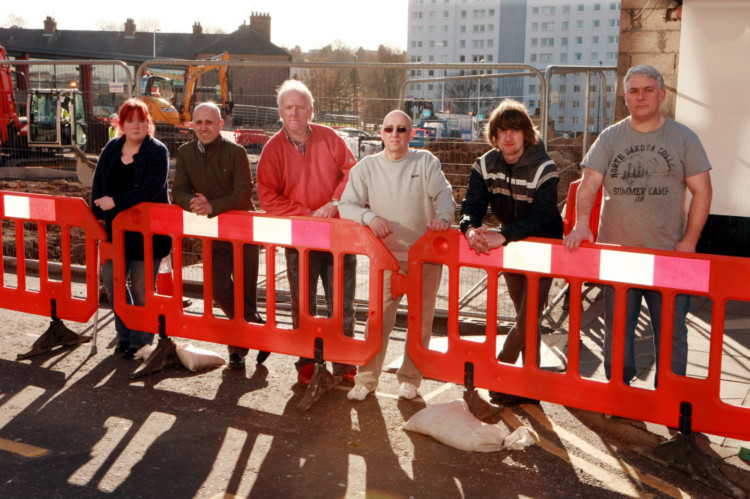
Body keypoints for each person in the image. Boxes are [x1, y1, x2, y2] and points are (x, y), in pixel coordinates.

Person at [563, 65, 712, 386]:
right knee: (617, 335)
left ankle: (671, 399)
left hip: (669, 257)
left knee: (673, 336)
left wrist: (690, 240)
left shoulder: (684, 138)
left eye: (647, 89)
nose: (640, 96)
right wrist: (582, 226)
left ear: (662, 95)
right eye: (633, 91)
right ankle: (620, 396)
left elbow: (703, 190)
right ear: (625, 97)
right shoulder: (610, 137)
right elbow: (588, 185)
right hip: (620, 258)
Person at [339, 110, 455, 401]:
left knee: (422, 320)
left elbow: (444, 194)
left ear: (411, 133)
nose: (395, 134)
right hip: (386, 258)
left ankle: (411, 379)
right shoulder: (367, 167)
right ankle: (366, 379)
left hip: (423, 257)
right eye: (389, 129)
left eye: (401, 130)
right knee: (378, 320)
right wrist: (369, 217)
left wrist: (444, 216)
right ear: (380, 133)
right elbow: (346, 205)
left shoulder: (426, 162)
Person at [459, 99, 563, 405]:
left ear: (526, 134)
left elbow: (542, 216)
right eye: (502, 130)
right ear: (494, 135)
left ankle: (499, 371)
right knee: (525, 318)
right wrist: (470, 229)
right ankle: (531, 384)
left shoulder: (545, 166)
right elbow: (471, 207)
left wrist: (502, 235)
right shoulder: (484, 164)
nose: (508, 137)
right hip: (511, 247)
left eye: (515, 130)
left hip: (543, 246)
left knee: (528, 318)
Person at [257, 79, 358, 385]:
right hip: (300, 239)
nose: (295, 113)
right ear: (280, 111)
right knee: (304, 304)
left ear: (311, 110)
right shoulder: (272, 149)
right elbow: (267, 196)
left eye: (301, 107)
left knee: (342, 303)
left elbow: (352, 172)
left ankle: (344, 364)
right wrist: (306, 215)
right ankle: (307, 363)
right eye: (288, 107)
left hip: (339, 234)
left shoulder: (330, 137)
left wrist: (334, 202)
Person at [172, 102, 265, 370]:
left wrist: (212, 206)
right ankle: (258, 328)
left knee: (246, 291)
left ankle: (237, 349)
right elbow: (178, 191)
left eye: (209, 122)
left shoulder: (236, 153)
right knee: (218, 287)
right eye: (198, 122)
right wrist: (192, 202)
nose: (203, 127)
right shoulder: (185, 152)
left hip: (243, 232)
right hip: (213, 234)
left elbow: (243, 195)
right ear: (192, 125)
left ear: (220, 125)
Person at [90, 98, 172, 359]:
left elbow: (151, 189)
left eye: (141, 120)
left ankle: (141, 341)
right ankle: (124, 335)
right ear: (121, 123)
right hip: (115, 234)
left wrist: (116, 201)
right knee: (113, 284)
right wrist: (97, 218)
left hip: (148, 235)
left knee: (141, 288)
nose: (136, 126)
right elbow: (98, 185)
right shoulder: (112, 149)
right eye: (130, 120)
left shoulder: (158, 152)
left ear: (147, 123)